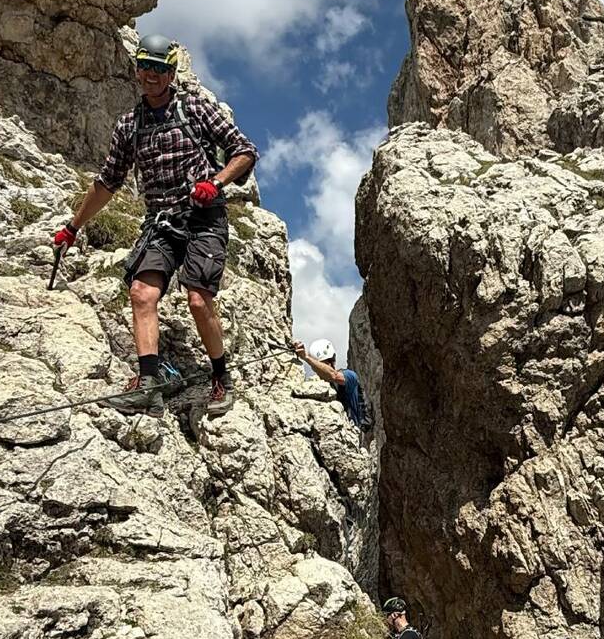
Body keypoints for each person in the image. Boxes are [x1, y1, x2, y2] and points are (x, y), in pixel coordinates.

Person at [52, 33, 257, 416]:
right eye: (146, 67)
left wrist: (215, 183)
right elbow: (107, 182)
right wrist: (73, 227)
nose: (151, 75)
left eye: (160, 69)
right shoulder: (129, 125)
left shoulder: (195, 109)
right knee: (142, 293)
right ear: (137, 69)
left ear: (172, 73)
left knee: (197, 297)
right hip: (161, 222)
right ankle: (148, 383)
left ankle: (220, 377)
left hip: (203, 217)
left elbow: (244, 151)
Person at [293, 338, 370, 430]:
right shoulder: (317, 386)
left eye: (320, 365)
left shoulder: (349, 376)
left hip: (354, 432)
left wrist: (306, 357)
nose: (318, 370)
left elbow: (333, 375)